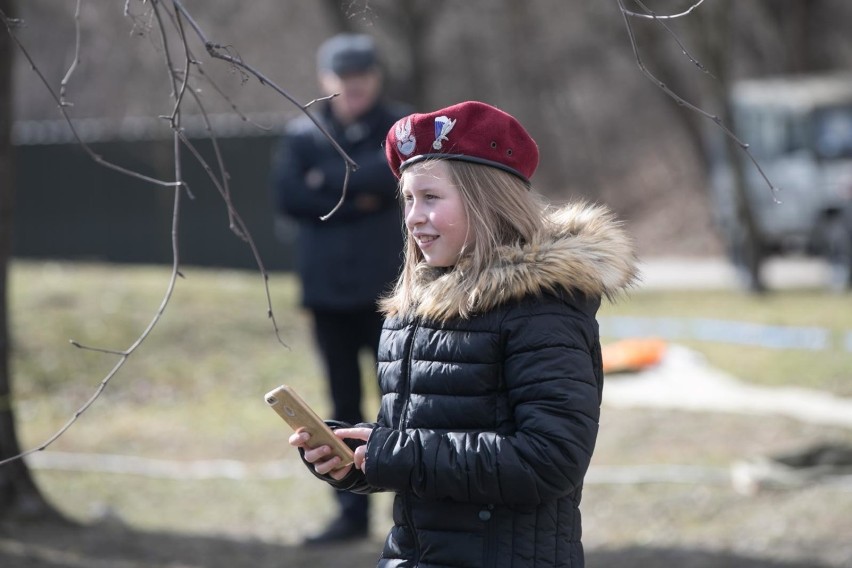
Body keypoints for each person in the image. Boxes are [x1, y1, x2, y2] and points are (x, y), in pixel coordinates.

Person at [289, 100, 639, 566]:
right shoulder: (412, 311)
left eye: (431, 198)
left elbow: (549, 459)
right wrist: (355, 457)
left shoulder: (541, 309)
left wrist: (395, 452)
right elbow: (423, 449)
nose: (413, 216)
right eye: (408, 199)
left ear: (486, 200)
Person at [270, 33, 410, 544]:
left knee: (400, 402)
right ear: (325, 82)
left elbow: (392, 179)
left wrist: (326, 186)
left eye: (362, 79)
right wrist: (361, 194)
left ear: (375, 79)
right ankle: (350, 516)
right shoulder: (303, 132)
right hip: (327, 294)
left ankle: (410, 509)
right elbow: (288, 197)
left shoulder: (400, 126)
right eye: (343, 81)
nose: (353, 89)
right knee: (341, 403)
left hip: (389, 295)